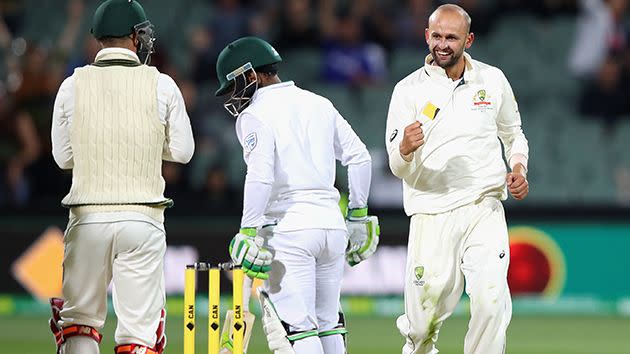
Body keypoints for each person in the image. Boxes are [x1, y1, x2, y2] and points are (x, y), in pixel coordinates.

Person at [214, 36, 379, 354]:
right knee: (328, 323)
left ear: (251, 74)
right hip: (332, 228)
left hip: (288, 230)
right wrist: (358, 215)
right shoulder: (319, 103)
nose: (234, 95)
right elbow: (360, 158)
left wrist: (248, 230)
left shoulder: (254, 114)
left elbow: (260, 175)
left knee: (298, 330)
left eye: (234, 84)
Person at [49, 1, 194, 353]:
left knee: (79, 323)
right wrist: (144, 144)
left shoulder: (72, 85)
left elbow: (62, 157)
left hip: (87, 219)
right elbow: (183, 152)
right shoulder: (161, 84)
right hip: (142, 220)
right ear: (134, 36)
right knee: (139, 335)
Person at [385, 4, 529, 354]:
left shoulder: (492, 80)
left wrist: (519, 168)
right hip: (431, 211)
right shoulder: (408, 91)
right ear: (426, 36)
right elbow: (396, 166)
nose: (443, 44)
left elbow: (514, 134)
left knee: (491, 302)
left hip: (484, 206)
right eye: (436, 36)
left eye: (452, 37)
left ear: (469, 39)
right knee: (421, 326)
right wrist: (404, 148)